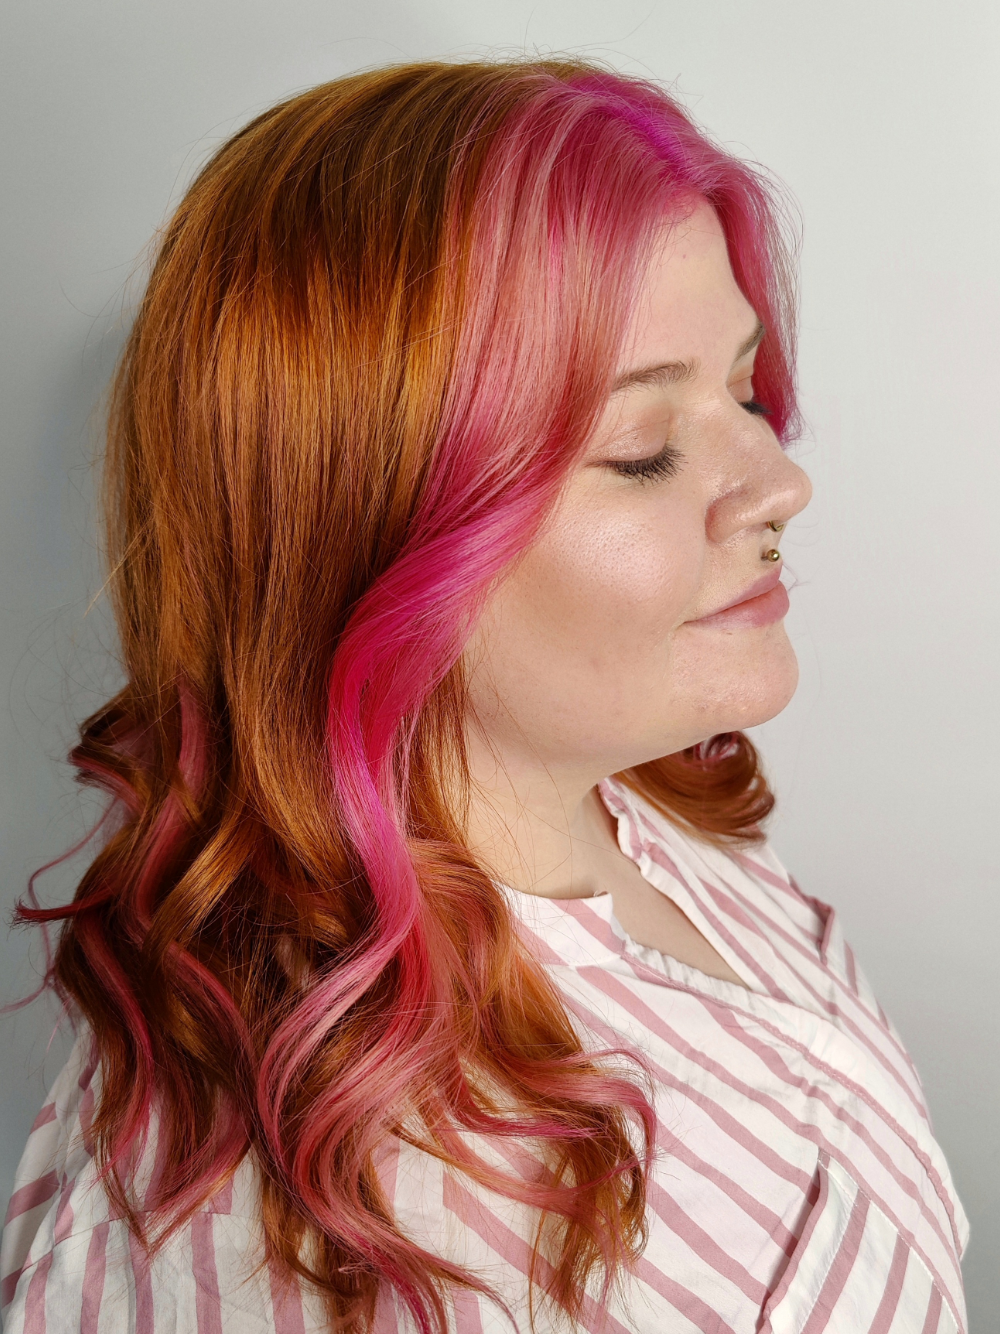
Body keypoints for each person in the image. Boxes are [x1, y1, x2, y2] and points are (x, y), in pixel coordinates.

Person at [0, 59, 968, 1334]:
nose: (778, 478)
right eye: (640, 450)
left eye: (739, 389)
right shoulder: (373, 1233)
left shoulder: (634, 800)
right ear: (374, 534)